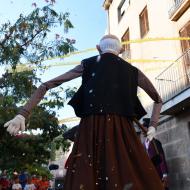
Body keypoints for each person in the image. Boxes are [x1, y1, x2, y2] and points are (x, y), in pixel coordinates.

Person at [4, 34, 164, 190]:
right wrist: (153, 126)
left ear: (98, 49)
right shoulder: (132, 71)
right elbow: (158, 99)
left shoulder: (88, 64)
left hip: (90, 132)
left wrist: (23, 113)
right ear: (120, 51)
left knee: (86, 178)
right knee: (129, 176)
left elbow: (47, 85)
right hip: (122, 133)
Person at [142, 118, 169, 190]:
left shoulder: (156, 143)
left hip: (158, 173)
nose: (142, 131)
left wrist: (164, 174)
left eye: (143, 128)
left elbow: (161, 158)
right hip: (149, 175)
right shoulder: (143, 145)